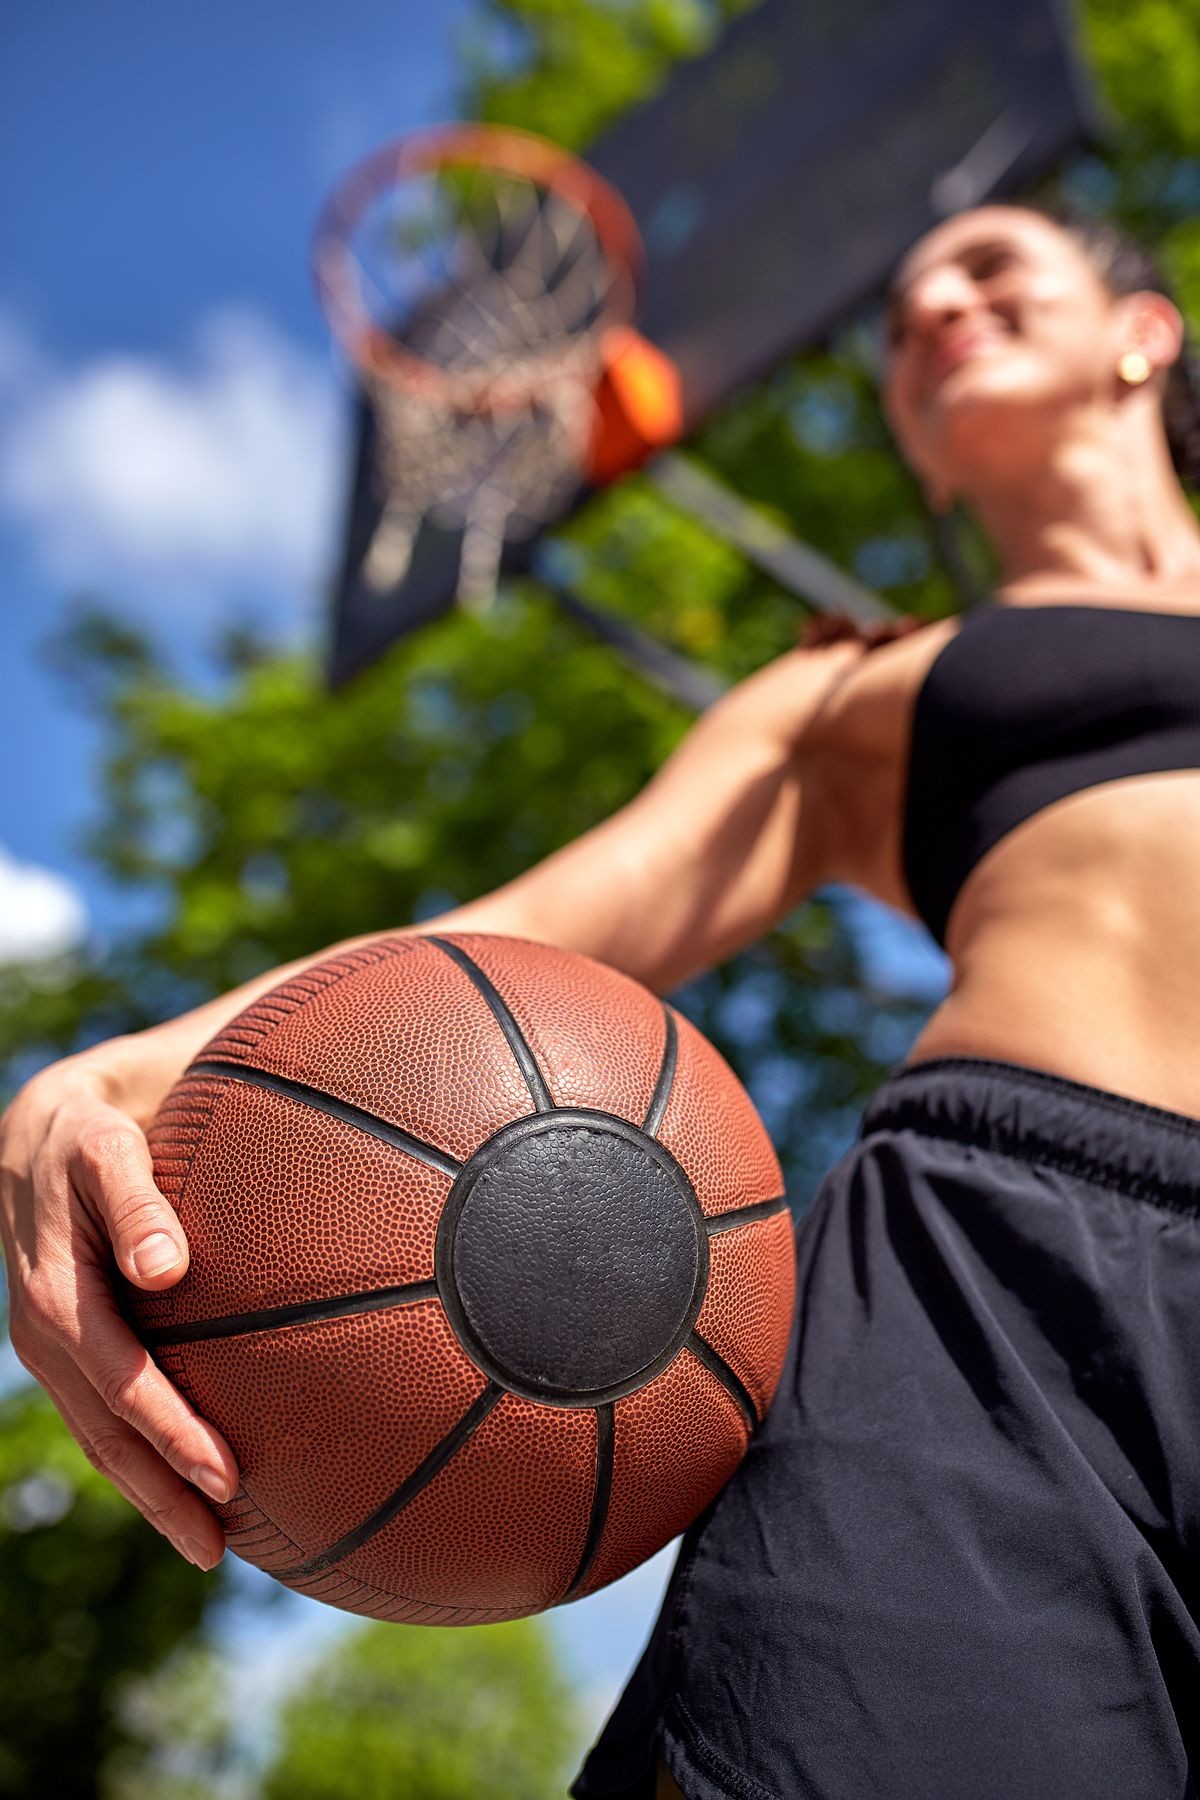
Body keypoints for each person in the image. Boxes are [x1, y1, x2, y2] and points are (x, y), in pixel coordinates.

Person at [2, 199, 1199, 1796]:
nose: (933, 311)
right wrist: (113, 1078)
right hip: (996, 1276)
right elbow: (521, 943)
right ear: (914, 437)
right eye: (903, 316)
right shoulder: (854, 689)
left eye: (991, 269)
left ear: (1145, 331)